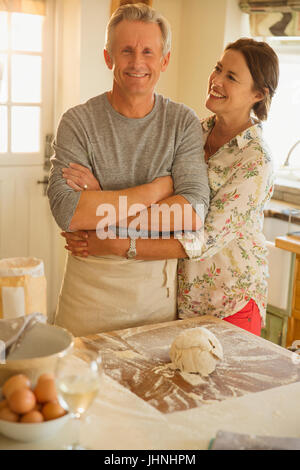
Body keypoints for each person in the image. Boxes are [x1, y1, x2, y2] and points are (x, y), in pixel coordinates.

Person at [64, 38, 279, 337]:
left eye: (231, 77)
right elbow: (149, 195)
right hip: (181, 302)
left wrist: (112, 237)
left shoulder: (256, 160)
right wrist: (101, 193)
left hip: (230, 303)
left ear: (258, 93)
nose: (216, 80)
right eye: (218, 69)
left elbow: (203, 238)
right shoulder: (193, 131)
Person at [47, 3, 210, 337]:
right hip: (87, 298)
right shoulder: (78, 121)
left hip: (155, 300)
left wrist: (100, 210)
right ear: (108, 57)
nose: (137, 62)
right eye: (126, 51)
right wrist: (157, 191)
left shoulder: (183, 122)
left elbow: (193, 212)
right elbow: (68, 212)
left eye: (148, 51)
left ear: (164, 60)